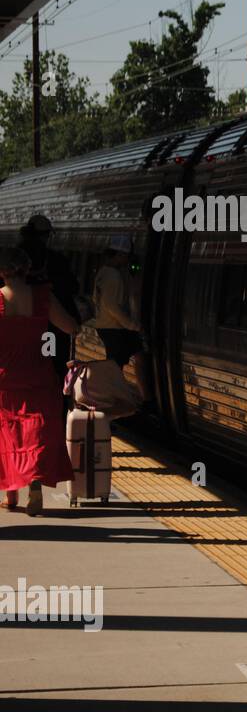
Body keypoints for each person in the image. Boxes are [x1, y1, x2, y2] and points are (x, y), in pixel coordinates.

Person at [0, 246, 78, 515]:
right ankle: (34, 480)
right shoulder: (43, 296)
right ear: (28, 268)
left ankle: (11, 494)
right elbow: (70, 327)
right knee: (36, 429)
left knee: (8, 433)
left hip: (5, 377)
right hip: (39, 373)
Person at [19, 214, 80, 383]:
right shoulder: (56, 259)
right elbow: (73, 287)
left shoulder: (13, 258)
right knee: (53, 366)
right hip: (51, 328)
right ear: (46, 235)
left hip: (21, 330)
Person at [86, 236, 148, 399]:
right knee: (117, 367)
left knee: (131, 359)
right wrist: (132, 325)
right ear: (120, 255)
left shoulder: (103, 272)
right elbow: (111, 306)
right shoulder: (113, 276)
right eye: (126, 256)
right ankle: (113, 399)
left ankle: (125, 397)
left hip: (107, 325)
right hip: (115, 327)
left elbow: (96, 299)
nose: (127, 260)